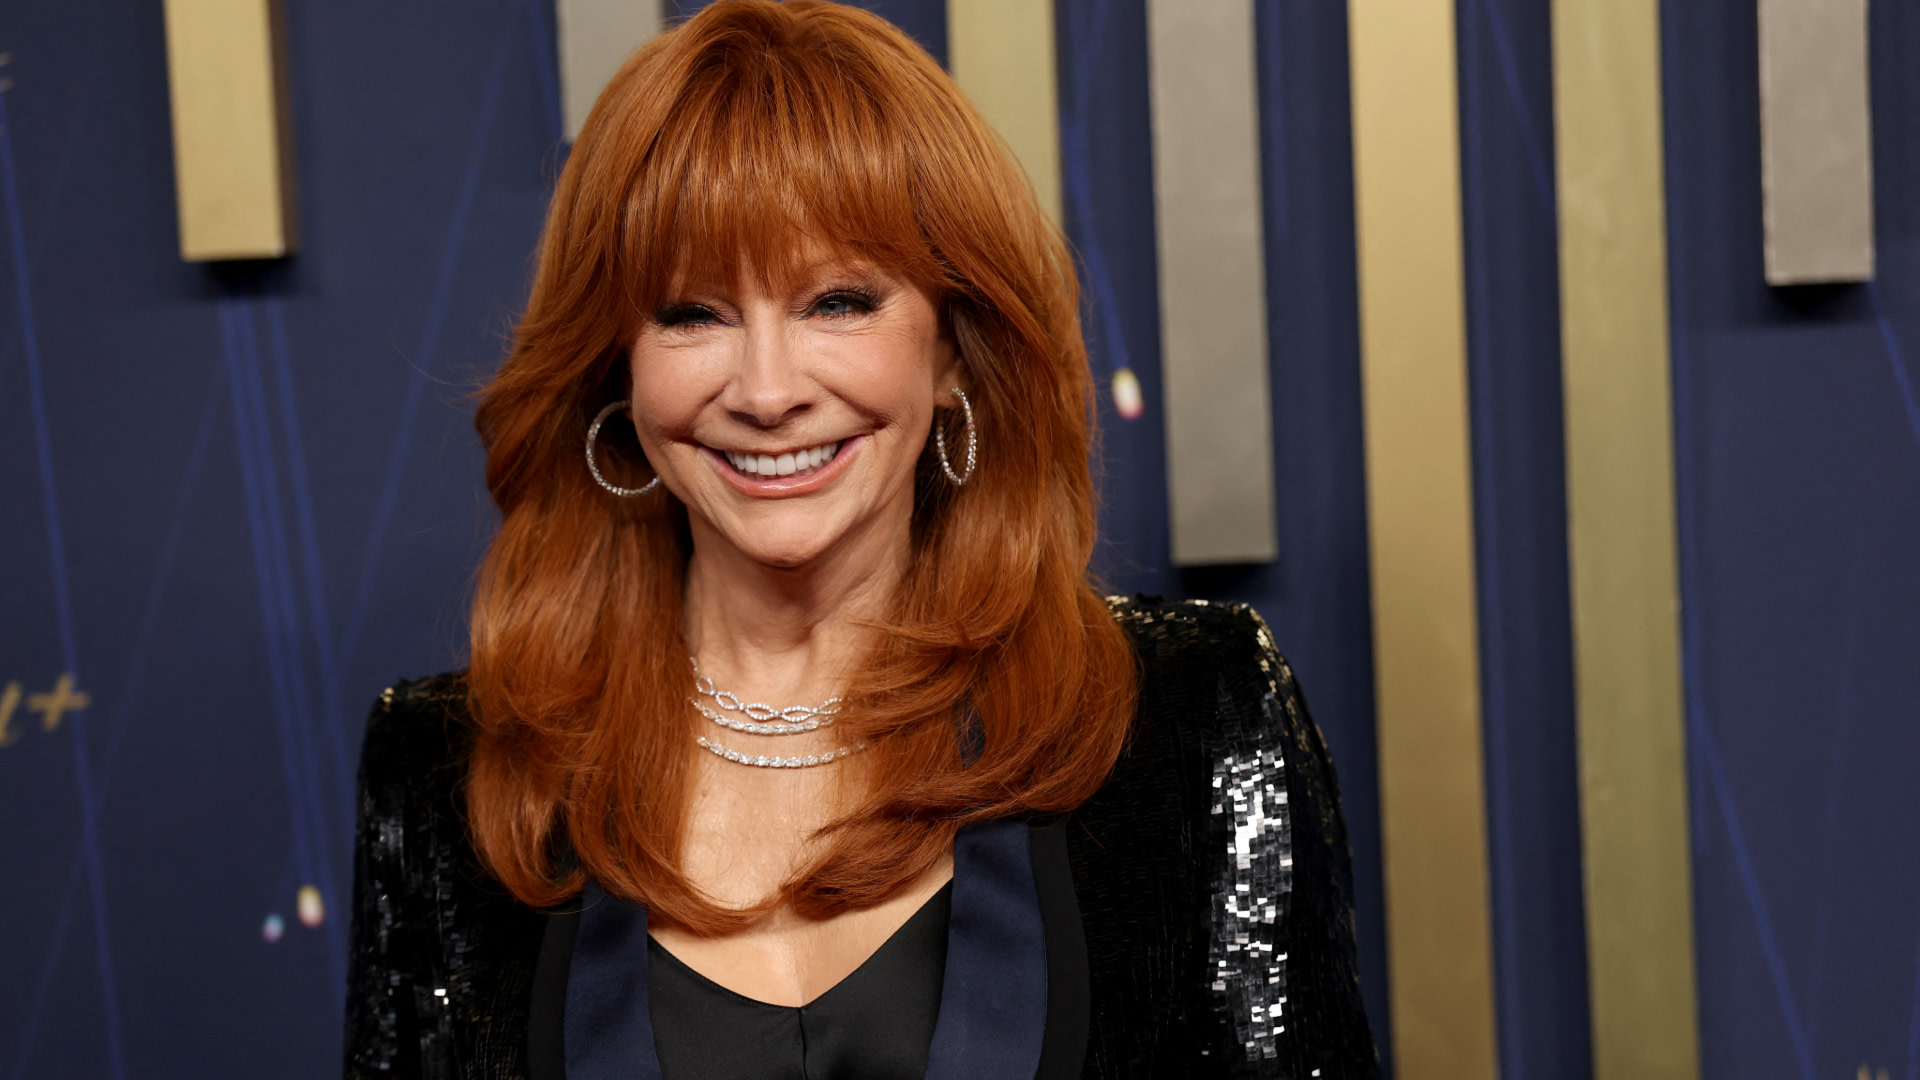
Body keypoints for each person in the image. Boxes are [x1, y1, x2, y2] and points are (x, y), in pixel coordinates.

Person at [344, 2, 1378, 1077]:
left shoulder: (1188, 716)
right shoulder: (448, 773)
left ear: (954, 350)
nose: (767, 390)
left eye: (837, 301)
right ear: (616, 369)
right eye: (692, 314)